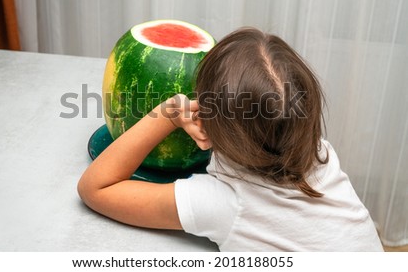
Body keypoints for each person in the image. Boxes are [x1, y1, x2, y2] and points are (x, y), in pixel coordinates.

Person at [77, 27, 383, 251]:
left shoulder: (223, 203)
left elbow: (95, 188)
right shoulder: (321, 154)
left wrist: (168, 114)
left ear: (209, 128)